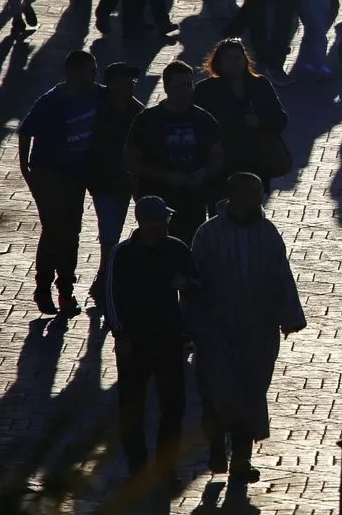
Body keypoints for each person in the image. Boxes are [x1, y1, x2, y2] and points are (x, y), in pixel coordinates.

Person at [187, 172, 306, 483]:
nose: (258, 198)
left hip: (258, 328)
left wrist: (290, 315)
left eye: (259, 192)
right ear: (236, 196)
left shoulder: (267, 233)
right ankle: (215, 445)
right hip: (216, 329)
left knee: (252, 393)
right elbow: (193, 282)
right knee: (218, 391)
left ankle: (241, 460)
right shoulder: (209, 233)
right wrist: (193, 325)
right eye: (252, 193)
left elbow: (281, 274)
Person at [107, 195, 197, 483]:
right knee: (132, 406)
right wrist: (121, 335)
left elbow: (199, 282)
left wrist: (187, 284)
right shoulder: (123, 254)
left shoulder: (176, 248)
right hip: (135, 342)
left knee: (174, 406)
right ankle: (137, 465)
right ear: (146, 224)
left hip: (169, 339)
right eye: (162, 221)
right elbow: (112, 296)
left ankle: (164, 467)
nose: (167, 225)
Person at [19, 50, 101, 315]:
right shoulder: (52, 101)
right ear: (74, 73)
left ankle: (65, 289)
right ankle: (44, 287)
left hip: (76, 177)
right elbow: (26, 130)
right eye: (89, 70)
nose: (93, 75)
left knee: (72, 232)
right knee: (54, 230)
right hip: (49, 174)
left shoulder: (96, 94)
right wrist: (26, 169)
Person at [124, 60, 224, 242]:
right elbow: (131, 161)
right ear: (167, 87)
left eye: (189, 85)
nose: (186, 90)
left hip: (193, 201)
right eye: (180, 86)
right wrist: (164, 175)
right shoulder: (147, 120)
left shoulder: (203, 119)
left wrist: (203, 172)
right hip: (157, 201)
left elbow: (217, 156)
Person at [193, 39, 289, 210]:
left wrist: (260, 122)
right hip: (221, 163)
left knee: (250, 212)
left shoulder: (260, 85)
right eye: (229, 58)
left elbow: (280, 119)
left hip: (254, 161)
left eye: (238, 57)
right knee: (219, 211)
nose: (234, 63)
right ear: (219, 62)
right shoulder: (206, 90)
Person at [87, 61, 144, 309]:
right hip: (104, 181)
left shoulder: (138, 112)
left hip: (129, 179)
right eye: (125, 80)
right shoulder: (98, 110)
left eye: (132, 80)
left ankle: (108, 280)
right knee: (109, 234)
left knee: (121, 231)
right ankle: (104, 281)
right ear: (111, 84)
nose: (130, 84)